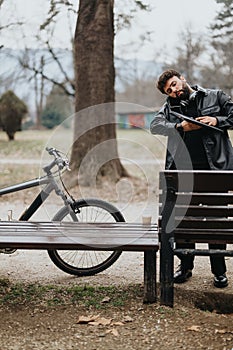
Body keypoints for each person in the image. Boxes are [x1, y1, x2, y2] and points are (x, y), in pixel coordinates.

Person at [150, 69, 233, 288]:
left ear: (183, 79)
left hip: (215, 171)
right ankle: (185, 267)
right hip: (184, 172)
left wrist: (217, 120)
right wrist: (179, 126)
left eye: (175, 84)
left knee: (216, 222)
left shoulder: (215, 96)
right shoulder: (169, 107)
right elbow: (154, 125)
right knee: (185, 221)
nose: (175, 90)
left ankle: (219, 272)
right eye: (169, 90)